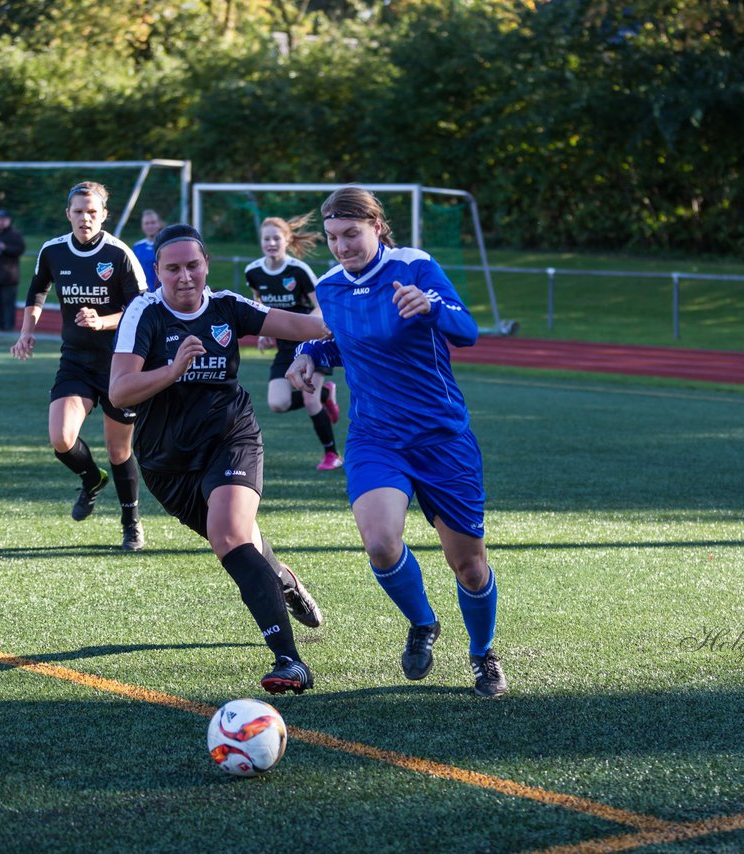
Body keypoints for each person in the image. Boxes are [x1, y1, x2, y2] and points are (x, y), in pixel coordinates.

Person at [286, 186, 508, 698]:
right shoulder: (330, 286)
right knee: (381, 543)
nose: (342, 246)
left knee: (470, 567)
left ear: (377, 228)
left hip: (441, 437)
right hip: (376, 437)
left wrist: (429, 307)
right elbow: (345, 341)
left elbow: (467, 331)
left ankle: (483, 655)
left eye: (352, 235)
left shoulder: (415, 266)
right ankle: (423, 623)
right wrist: (311, 355)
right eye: (334, 237)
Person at [110, 223, 329, 694]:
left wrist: (360, 305)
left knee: (228, 532)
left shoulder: (228, 306)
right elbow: (120, 389)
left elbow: (304, 325)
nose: (185, 276)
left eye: (193, 265)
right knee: (238, 542)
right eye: (173, 268)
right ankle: (284, 581)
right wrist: (172, 370)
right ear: (157, 272)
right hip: (166, 462)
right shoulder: (143, 313)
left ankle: (289, 661)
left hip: (231, 437)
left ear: (207, 265)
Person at [10, 181, 148, 551]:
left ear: (104, 215)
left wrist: (103, 321)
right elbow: (37, 289)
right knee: (62, 439)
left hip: (120, 363)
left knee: (119, 450)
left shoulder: (119, 254)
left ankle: (131, 522)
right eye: (78, 211)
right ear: (67, 213)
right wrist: (27, 333)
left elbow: (142, 309)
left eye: (92, 212)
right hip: (75, 360)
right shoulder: (53, 251)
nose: (85, 218)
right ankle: (91, 479)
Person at [245, 214, 344, 471]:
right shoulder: (253, 271)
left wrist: (306, 329)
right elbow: (260, 305)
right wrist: (264, 332)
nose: (271, 243)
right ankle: (326, 394)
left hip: (312, 342)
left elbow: (320, 307)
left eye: (276, 238)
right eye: (266, 238)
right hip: (285, 345)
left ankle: (332, 454)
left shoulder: (298, 271)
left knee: (310, 402)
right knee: (278, 404)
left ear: (287, 240)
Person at [131, 209, 164, 291]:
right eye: (146, 223)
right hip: (144, 293)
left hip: (163, 293)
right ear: (142, 226)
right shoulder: (137, 247)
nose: (150, 226)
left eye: (153, 223)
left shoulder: (165, 245)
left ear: (159, 224)